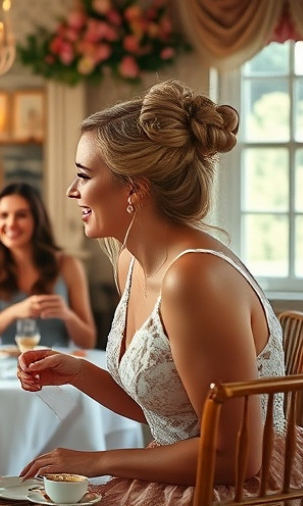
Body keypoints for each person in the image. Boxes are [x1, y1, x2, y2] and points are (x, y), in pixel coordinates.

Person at [17, 80, 301, 504]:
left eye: (83, 175)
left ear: (134, 187)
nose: (72, 191)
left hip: (237, 489)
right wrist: (78, 372)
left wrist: (98, 461)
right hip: (189, 467)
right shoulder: (130, 262)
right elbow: (169, 410)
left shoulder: (195, 279)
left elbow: (238, 459)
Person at [0, 182, 96, 349]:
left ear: (37, 220)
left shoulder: (68, 265)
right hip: (11, 368)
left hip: (58, 366)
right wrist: (15, 311)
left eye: (21, 215)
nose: (11, 223)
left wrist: (67, 315)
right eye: (3, 215)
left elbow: (88, 342)